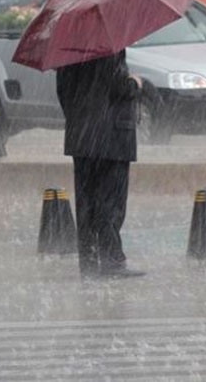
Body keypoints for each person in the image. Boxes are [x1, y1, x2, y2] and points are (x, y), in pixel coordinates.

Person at [56, 50, 145, 279]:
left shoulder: (68, 50)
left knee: (87, 203)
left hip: (83, 138)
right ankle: (111, 261)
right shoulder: (107, 48)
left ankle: (89, 261)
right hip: (112, 139)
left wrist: (81, 120)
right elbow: (117, 87)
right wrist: (135, 83)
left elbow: (63, 94)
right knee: (110, 203)